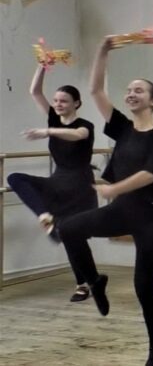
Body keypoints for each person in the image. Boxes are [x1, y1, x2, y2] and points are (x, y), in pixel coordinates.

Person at [58, 37, 153, 366]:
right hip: (121, 211)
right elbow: (95, 90)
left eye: (139, 90)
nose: (132, 93)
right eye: (129, 90)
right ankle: (95, 281)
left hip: (150, 217)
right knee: (68, 228)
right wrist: (102, 50)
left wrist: (114, 188)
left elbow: (152, 173)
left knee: (145, 289)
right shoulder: (122, 128)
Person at [7, 64, 97, 302]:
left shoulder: (85, 125)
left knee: (74, 238)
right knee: (15, 178)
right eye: (56, 100)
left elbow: (78, 135)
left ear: (76, 103)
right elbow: (35, 91)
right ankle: (45, 216)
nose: (58, 104)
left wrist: (48, 131)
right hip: (58, 182)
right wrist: (42, 66)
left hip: (79, 187)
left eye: (64, 101)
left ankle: (84, 284)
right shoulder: (54, 119)